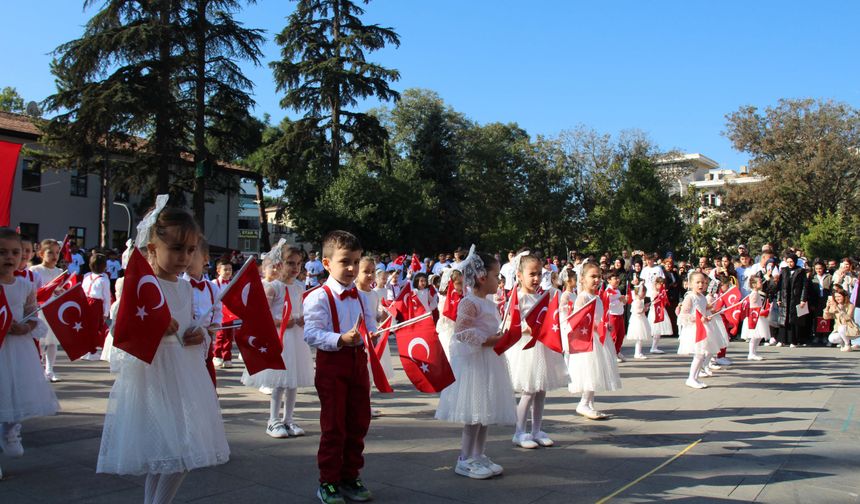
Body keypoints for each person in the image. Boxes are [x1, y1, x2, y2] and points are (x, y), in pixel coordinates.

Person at [97, 206, 229, 504]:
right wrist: (154, 328)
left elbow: (192, 329)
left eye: (191, 250)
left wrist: (201, 335)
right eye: (177, 248)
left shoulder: (185, 288)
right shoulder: (140, 286)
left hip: (184, 375)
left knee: (177, 452)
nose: (184, 257)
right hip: (153, 375)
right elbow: (122, 335)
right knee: (173, 452)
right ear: (154, 249)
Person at [303, 231, 378, 504]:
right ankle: (329, 481)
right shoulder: (318, 297)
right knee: (334, 426)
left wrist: (375, 332)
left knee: (359, 421)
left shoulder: (360, 296)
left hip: (358, 365)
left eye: (356, 262)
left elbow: (369, 325)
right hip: (332, 365)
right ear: (326, 263)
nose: (352, 268)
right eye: (345, 261)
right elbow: (310, 333)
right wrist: (339, 339)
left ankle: (350, 475)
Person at [435, 249, 514, 479]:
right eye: (496, 275)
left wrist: (499, 337)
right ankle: (465, 458)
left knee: (485, 412)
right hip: (475, 363)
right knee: (474, 413)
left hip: (489, 361)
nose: (499, 280)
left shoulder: (488, 302)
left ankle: (479, 454)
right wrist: (489, 340)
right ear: (481, 277)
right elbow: (462, 332)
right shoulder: (469, 302)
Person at [0, 228, 59, 479]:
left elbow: (33, 314)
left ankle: (10, 429)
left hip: (18, 349)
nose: (10, 257)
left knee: (18, 395)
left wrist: (25, 326)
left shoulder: (25, 285)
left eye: (15, 252)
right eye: (2, 252)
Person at [507, 255, 567, 449]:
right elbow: (510, 323)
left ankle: (537, 429)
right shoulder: (518, 297)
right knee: (528, 391)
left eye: (539, 274)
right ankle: (519, 431)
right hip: (526, 349)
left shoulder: (542, 296)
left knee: (541, 390)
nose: (536, 278)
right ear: (519, 275)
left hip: (541, 348)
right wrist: (527, 328)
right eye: (532, 274)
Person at [569, 262, 622, 419]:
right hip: (588, 340)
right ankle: (584, 403)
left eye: (598, 276)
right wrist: (595, 327)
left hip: (599, 338)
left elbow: (599, 317)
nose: (597, 280)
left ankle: (590, 402)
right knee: (590, 371)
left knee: (596, 371)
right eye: (592, 276)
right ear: (583, 279)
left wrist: (605, 326)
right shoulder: (583, 297)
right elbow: (577, 319)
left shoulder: (597, 298)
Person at [357, 256, 394, 418]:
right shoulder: (353, 293)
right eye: (366, 271)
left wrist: (383, 315)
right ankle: (356, 405)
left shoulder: (373, 295)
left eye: (372, 271)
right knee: (359, 375)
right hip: (359, 339)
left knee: (369, 374)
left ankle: (366, 405)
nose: (370, 275)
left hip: (372, 338)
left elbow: (374, 315)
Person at [181, 238, 219, 386]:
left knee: (207, 368)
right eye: (185, 253)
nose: (187, 259)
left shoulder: (212, 287)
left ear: (205, 259)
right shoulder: (180, 285)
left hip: (206, 337)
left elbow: (217, 309)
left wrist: (215, 324)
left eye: (192, 254)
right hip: (186, 337)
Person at [677, 272, 721, 389]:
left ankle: (695, 378)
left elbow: (704, 308)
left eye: (703, 282)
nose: (701, 284)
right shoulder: (690, 297)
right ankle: (691, 378)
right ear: (690, 284)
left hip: (702, 327)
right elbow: (683, 314)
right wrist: (698, 319)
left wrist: (709, 313)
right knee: (699, 354)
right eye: (697, 282)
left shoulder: (702, 297)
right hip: (694, 330)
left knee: (701, 355)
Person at [30, 239, 65, 382]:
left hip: (53, 309)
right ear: (41, 254)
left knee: (52, 341)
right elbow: (32, 290)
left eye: (57, 252)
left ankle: (50, 370)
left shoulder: (60, 271)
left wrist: (60, 291)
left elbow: (60, 290)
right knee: (38, 341)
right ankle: (37, 369)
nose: (54, 256)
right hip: (39, 309)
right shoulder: (35, 270)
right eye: (50, 252)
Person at [81, 253, 111, 361]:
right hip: (95, 304)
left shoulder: (86, 276)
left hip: (85, 302)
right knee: (93, 328)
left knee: (87, 327)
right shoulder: (104, 280)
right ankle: (91, 351)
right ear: (104, 266)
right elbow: (107, 297)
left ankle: (86, 349)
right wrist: (106, 313)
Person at [776, 254, 809, 348]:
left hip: (796, 298)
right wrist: (778, 298)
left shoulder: (801, 271)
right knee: (783, 318)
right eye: (788, 262)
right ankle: (781, 340)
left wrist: (803, 299)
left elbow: (804, 286)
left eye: (792, 261)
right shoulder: (784, 270)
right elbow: (779, 286)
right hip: (784, 297)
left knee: (794, 320)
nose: (790, 264)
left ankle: (793, 341)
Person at [211, 257, 237, 369]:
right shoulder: (213, 283)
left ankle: (227, 357)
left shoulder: (232, 283)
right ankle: (217, 356)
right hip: (219, 313)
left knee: (229, 337)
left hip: (230, 314)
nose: (228, 272)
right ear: (218, 271)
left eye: (230, 270)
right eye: (225, 269)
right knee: (220, 336)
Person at [437, 268, 464, 361]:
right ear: (451, 284)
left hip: (461, 331)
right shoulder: (445, 300)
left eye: (462, 283)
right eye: (458, 283)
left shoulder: (464, 296)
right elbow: (444, 317)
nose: (462, 286)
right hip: (449, 330)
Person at [741, 276, 769, 360]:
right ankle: (751, 353)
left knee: (759, 336)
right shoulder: (754, 294)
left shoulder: (757, 293)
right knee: (755, 336)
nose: (761, 283)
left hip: (758, 316)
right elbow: (752, 306)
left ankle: (754, 352)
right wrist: (760, 312)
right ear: (754, 284)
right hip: (755, 317)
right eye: (760, 282)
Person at [824, 285, 858, 351]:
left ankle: (847, 345)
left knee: (841, 328)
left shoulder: (850, 305)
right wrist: (827, 307)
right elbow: (826, 317)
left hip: (851, 330)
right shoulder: (834, 305)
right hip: (839, 330)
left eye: (839, 296)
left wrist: (838, 308)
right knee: (832, 338)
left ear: (844, 297)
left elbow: (848, 318)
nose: (837, 298)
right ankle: (843, 344)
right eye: (836, 297)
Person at [604, 271, 627, 362]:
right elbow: (608, 304)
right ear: (609, 280)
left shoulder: (617, 290)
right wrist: (619, 300)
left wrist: (624, 300)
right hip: (612, 315)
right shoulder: (608, 291)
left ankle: (617, 351)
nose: (617, 280)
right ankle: (612, 354)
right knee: (613, 336)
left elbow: (622, 302)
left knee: (621, 335)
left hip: (620, 314)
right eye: (615, 279)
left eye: (618, 278)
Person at [626, 286, 651, 359]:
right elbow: (637, 311)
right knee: (639, 337)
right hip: (638, 320)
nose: (645, 294)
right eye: (644, 292)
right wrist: (645, 309)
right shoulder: (637, 301)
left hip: (640, 319)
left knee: (640, 338)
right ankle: (637, 353)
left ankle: (638, 352)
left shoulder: (638, 300)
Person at [647, 277, 672, 354]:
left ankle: (654, 347)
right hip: (656, 311)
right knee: (656, 329)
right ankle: (653, 347)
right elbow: (654, 301)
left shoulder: (661, 292)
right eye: (660, 284)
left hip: (660, 310)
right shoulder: (654, 292)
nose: (662, 286)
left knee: (658, 331)